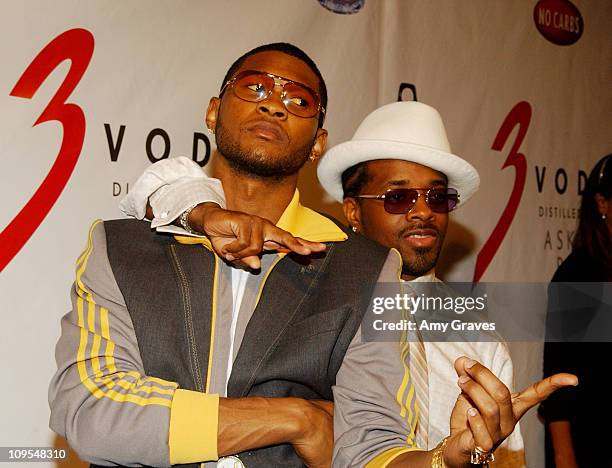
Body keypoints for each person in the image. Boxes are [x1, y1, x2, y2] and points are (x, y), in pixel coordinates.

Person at [50, 43, 575, 468]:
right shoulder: (121, 246)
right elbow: (92, 413)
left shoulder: (366, 272)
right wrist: (296, 418)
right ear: (213, 111)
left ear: (318, 141)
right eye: (254, 87)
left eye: (299, 100)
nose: (274, 103)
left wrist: (445, 460)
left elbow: (369, 447)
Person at [540, 154, 612, 468]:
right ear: (602, 204)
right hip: (591, 445)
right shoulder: (578, 276)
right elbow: (558, 380)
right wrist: (564, 458)